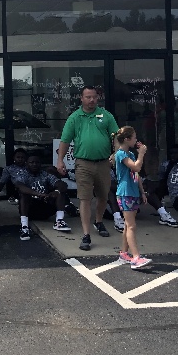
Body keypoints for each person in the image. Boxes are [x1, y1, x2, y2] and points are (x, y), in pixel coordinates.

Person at [56, 85, 119, 251]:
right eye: (88, 97)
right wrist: (60, 160)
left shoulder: (106, 115)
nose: (92, 100)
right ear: (81, 98)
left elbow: (117, 137)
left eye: (94, 97)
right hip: (83, 163)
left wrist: (116, 153)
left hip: (104, 163)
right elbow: (65, 140)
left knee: (103, 195)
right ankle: (86, 234)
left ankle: (99, 221)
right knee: (84, 198)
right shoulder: (75, 117)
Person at [114, 126, 153, 269]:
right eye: (134, 138)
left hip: (133, 191)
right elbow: (136, 167)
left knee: (127, 225)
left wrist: (142, 192)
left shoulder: (129, 154)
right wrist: (141, 154)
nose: (136, 140)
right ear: (126, 139)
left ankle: (124, 253)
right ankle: (136, 257)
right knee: (131, 226)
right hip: (125, 193)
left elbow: (136, 174)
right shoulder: (121, 154)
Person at [13, 154, 72, 241]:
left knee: (60, 192)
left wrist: (56, 192)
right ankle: (24, 227)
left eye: (37, 162)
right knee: (24, 195)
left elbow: (62, 184)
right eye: (31, 162)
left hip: (46, 207)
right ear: (27, 164)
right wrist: (39, 194)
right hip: (30, 209)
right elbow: (20, 187)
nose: (34, 164)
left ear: (40, 164)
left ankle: (59, 221)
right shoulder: (22, 174)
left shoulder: (45, 174)